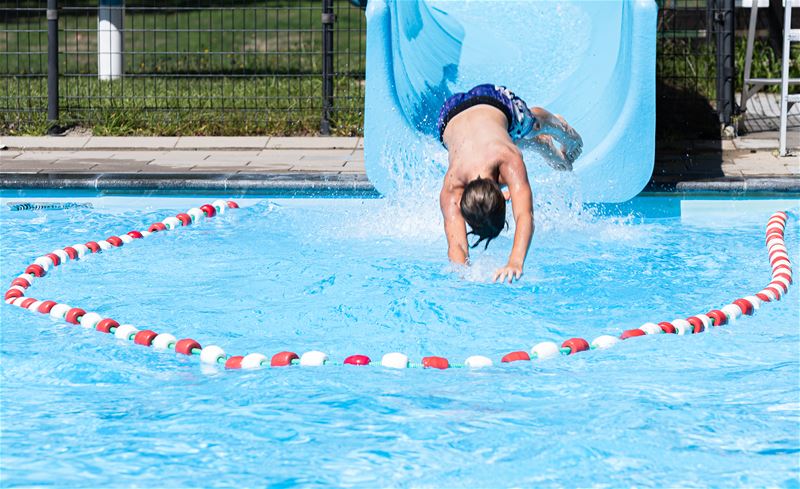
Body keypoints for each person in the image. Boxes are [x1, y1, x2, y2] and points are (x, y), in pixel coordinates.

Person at [437, 84, 583, 283]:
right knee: (509, 137)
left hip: (492, 100)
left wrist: (515, 261)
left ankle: (558, 127)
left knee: (529, 125)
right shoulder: (452, 187)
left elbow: (525, 215)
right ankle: (541, 143)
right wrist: (463, 276)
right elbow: (457, 246)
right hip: (449, 114)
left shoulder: (507, 158)